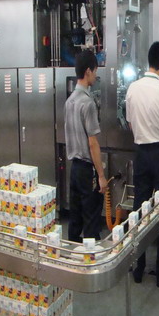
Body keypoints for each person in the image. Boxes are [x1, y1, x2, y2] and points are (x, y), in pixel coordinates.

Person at [126, 41, 159, 288]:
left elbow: (130, 124)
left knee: (139, 211)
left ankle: (138, 268)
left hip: (141, 155)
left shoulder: (132, 88)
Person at [64, 50, 108, 242]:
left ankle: (71, 254)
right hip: (86, 170)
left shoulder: (69, 101)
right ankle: (91, 257)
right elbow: (92, 143)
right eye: (96, 71)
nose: (96, 75)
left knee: (75, 218)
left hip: (74, 169)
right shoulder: (87, 103)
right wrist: (101, 176)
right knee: (91, 219)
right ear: (88, 71)